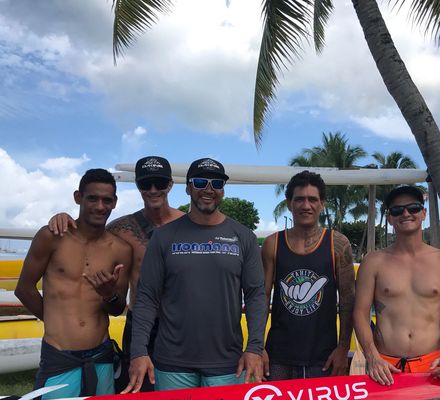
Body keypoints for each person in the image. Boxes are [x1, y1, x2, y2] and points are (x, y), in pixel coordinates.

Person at [122, 158, 266, 393]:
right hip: (172, 362)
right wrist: (139, 351)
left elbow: (255, 296)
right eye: (200, 182)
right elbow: (147, 297)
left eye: (216, 183)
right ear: (188, 187)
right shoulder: (164, 237)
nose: (208, 189)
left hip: (228, 364)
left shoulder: (243, 236)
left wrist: (254, 348)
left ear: (222, 190)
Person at [47, 156, 185, 391]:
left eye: (159, 183)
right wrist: (63, 217)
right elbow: (85, 234)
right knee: (139, 390)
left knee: (183, 391)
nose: (152, 190)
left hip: (182, 323)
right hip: (141, 325)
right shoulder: (121, 230)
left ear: (170, 185)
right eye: (145, 184)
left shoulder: (188, 226)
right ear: (138, 185)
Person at [15, 169, 132, 399]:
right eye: (92, 198)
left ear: (115, 203)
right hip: (60, 355)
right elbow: (24, 288)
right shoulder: (52, 236)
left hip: (101, 355)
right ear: (78, 197)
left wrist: (109, 294)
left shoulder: (120, 250)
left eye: (107, 200)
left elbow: (117, 308)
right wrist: (56, 323)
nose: (100, 206)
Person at [354, 186, 440, 385]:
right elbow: (360, 313)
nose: (405, 213)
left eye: (413, 208)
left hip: (432, 365)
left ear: (423, 213)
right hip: (385, 366)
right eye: (397, 210)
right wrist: (372, 357)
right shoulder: (373, 262)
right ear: (389, 218)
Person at [261, 171, 355, 380]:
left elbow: (348, 301)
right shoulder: (273, 244)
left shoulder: (338, 244)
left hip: (324, 357)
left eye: (312, 199)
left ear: (322, 203)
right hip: (278, 356)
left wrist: (343, 348)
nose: (306, 206)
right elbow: (262, 297)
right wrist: (258, 346)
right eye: (299, 199)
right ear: (289, 203)